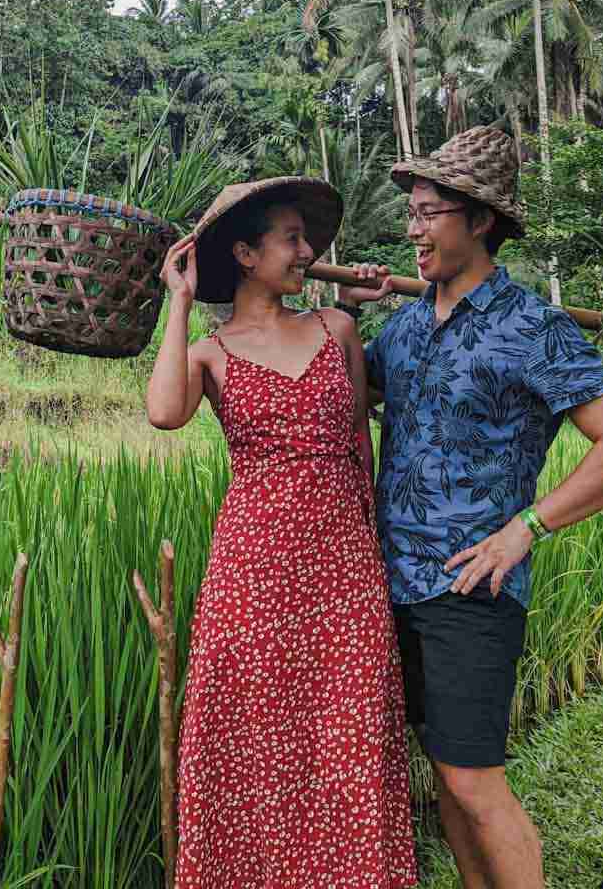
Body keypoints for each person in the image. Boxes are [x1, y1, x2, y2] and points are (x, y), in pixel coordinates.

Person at [339, 126, 603, 889]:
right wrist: (349, 314)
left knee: (475, 781)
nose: (412, 229)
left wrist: (525, 529)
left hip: (470, 590)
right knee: (445, 775)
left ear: (479, 220)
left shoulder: (533, 328)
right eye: (410, 213)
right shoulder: (411, 322)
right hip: (395, 583)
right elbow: (350, 399)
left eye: (428, 213)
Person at [146, 176, 417, 889]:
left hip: (344, 569)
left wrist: (375, 553)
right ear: (244, 252)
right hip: (252, 571)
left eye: (308, 239)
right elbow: (164, 413)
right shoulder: (210, 352)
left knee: (347, 731)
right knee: (250, 736)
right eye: (291, 239)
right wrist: (178, 300)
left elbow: (362, 447)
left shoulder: (338, 329)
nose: (307, 252)